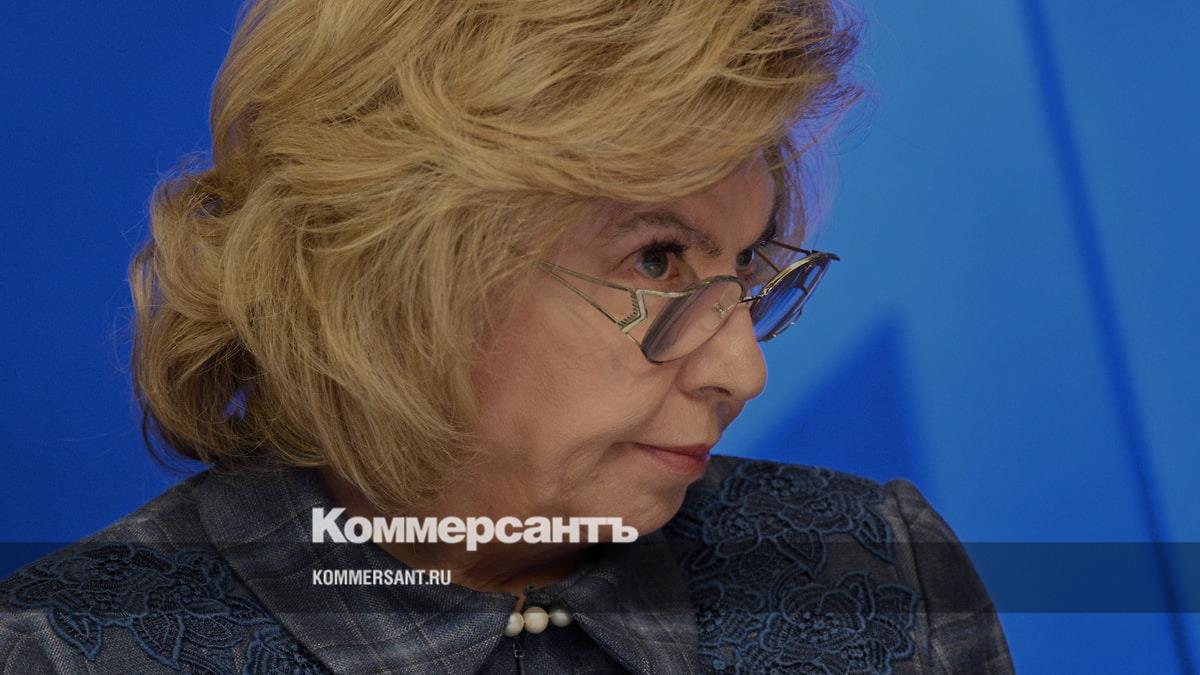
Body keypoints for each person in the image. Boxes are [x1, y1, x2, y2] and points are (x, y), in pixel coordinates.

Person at [0, 0, 1013, 672]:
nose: (742, 369)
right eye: (657, 258)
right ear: (392, 269)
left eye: (745, 268)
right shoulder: (70, 650)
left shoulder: (878, 577)